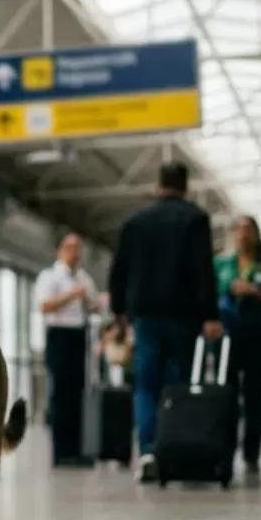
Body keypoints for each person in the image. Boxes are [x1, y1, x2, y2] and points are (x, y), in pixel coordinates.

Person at [109, 161, 222, 484]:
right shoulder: (195, 219)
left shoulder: (136, 222)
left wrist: (118, 311)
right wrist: (210, 314)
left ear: (158, 185)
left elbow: (120, 269)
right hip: (184, 315)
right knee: (182, 384)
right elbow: (203, 270)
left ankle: (147, 451)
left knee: (145, 385)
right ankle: (179, 449)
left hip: (145, 315)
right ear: (185, 186)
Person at [213, 214, 261, 476]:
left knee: (254, 394)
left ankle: (252, 452)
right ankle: (225, 450)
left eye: (248, 229)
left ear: (256, 235)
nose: (243, 234)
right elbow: (208, 296)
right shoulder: (220, 264)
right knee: (227, 393)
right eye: (238, 229)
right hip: (228, 336)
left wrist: (255, 292)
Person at [34, 234, 99, 467]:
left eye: (78, 249)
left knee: (77, 393)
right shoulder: (50, 276)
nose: (75, 254)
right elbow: (44, 306)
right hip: (59, 335)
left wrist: (93, 301)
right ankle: (61, 452)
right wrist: (71, 295)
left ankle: (76, 449)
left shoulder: (82, 277)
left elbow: (93, 306)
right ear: (60, 251)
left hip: (78, 335)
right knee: (60, 394)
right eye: (70, 248)